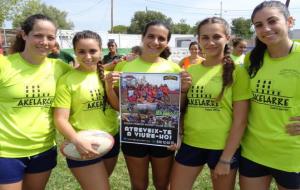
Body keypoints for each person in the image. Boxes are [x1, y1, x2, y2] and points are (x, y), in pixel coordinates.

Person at [106, 20, 191, 190]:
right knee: (139, 185)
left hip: (164, 135)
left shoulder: (174, 69)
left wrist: (182, 91)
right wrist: (109, 86)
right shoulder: (124, 66)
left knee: (162, 185)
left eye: (161, 38)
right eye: (151, 36)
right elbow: (118, 106)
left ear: (167, 42)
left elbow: (178, 108)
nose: (155, 42)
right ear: (142, 37)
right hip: (134, 133)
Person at [170, 17, 251, 190]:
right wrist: (183, 91)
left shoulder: (239, 72)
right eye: (205, 37)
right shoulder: (190, 70)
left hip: (222, 147)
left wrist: (226, 158)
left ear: (227, 38)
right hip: (191, 143)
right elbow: (182, 107)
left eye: (216, 36)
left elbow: (241, 120)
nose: (210, 42)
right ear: (198, 40)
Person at [0, 14, 70, 190]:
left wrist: (120, 65)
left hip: (43, 151)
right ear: (24, 35)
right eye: (38, 35)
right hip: (6, 152)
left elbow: (86, 76)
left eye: (50, 37)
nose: (44, 42)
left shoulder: (60, 68)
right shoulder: (5, 65)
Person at [239, 1, 300, 190]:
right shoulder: (252, 58)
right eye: (258, 25)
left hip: (291, 154)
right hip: (253, 151)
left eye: (272, 21)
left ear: (290, 21)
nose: (266, 29)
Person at [53, 30, 119, 190]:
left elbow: (117, 107)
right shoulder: (67, 80)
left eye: (92, 51)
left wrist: (110, 87)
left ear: (101, 51)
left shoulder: (109, 76)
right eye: (81, 51)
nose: (88, 56)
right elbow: (60, 119)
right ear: (74, 52)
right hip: (81, 143)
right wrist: (76, 140)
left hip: (111, 141)